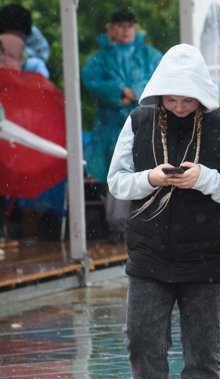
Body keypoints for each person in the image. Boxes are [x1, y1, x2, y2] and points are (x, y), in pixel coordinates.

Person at [107, 43, 220, 379]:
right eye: (171, 97)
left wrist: (205, 178)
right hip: (150, 253)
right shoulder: (139, 121)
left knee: (204, 350)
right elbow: (117, 182)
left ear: (203, 95)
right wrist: (151, 178)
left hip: (208, 257)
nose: (178, 105)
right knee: (141, 339)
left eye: (187, 98)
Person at [83, 9, 162, 242]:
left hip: (147, 124)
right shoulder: (99, 59)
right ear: (111, 28)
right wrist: (118, 91)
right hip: (110, 129)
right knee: (118, 172)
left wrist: (135, 91)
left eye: (130, 25)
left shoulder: (150, 55)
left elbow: (160, 78)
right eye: (120, 25)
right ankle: (119, 227)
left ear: (135, 28)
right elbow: (91, 80)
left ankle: (149, 224)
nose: (125, 30)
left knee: (150, 170)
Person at [0, 3, 49, 77]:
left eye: (17, 36)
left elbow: (42, 53)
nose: (12, 41)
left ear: (24, 33)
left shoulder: (34, 65)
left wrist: (22, 58)